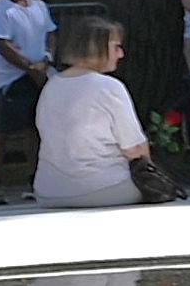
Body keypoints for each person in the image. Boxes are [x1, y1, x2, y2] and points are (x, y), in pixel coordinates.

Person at [32, 15, 155, 209]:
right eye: (116, 47)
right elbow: (135, 149)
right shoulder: (109, 86)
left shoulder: (51, 86)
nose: (121, 54)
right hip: (103, 187)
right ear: (96, 47)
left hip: (48, 191)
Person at [0, 0, 55, 185]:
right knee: (2, 130)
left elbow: (51, 33)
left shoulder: (40, 6)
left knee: (34, 128)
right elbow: (3, 45)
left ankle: (34, 177)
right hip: (12, 79)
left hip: (40, 75)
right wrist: (30, 67)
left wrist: (46, 60)